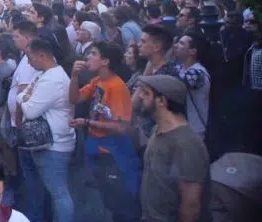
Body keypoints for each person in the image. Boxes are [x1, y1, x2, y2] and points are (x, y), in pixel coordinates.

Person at [69, 42, 140, 222]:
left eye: (93, 53)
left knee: (118, 204)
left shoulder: (117, 86)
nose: (88, 57)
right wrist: (75, 75)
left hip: (112, 152)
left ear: (105, 61)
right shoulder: (98, 81)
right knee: (104, 199)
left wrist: (87, 122)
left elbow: (121, 127)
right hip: (97, 148)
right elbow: (75, 98)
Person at [135, 75, 210, 222]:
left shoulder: (188, 145)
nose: (140, 96)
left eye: (146, 92)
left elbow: (191, 206)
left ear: (162, 101)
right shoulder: (158, 129)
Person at [15, 38, 74, 222]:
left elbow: (31, 110)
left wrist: (22, 98)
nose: (28, 61)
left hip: (54, 146)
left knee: (59, 193)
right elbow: (25, 94)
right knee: (42, 190)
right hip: (43, 144)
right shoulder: (43, 74)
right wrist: (25, 96)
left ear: (41, 55)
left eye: (29, 56)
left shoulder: (53, 79)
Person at [174, 33, 211, 139]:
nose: (176, 45)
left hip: (195, 132)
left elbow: (176, 84)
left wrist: (166, 55)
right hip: (182, 129)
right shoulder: (180, 67)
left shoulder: (199, 73)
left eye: (181, 43)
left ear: (192, 51)